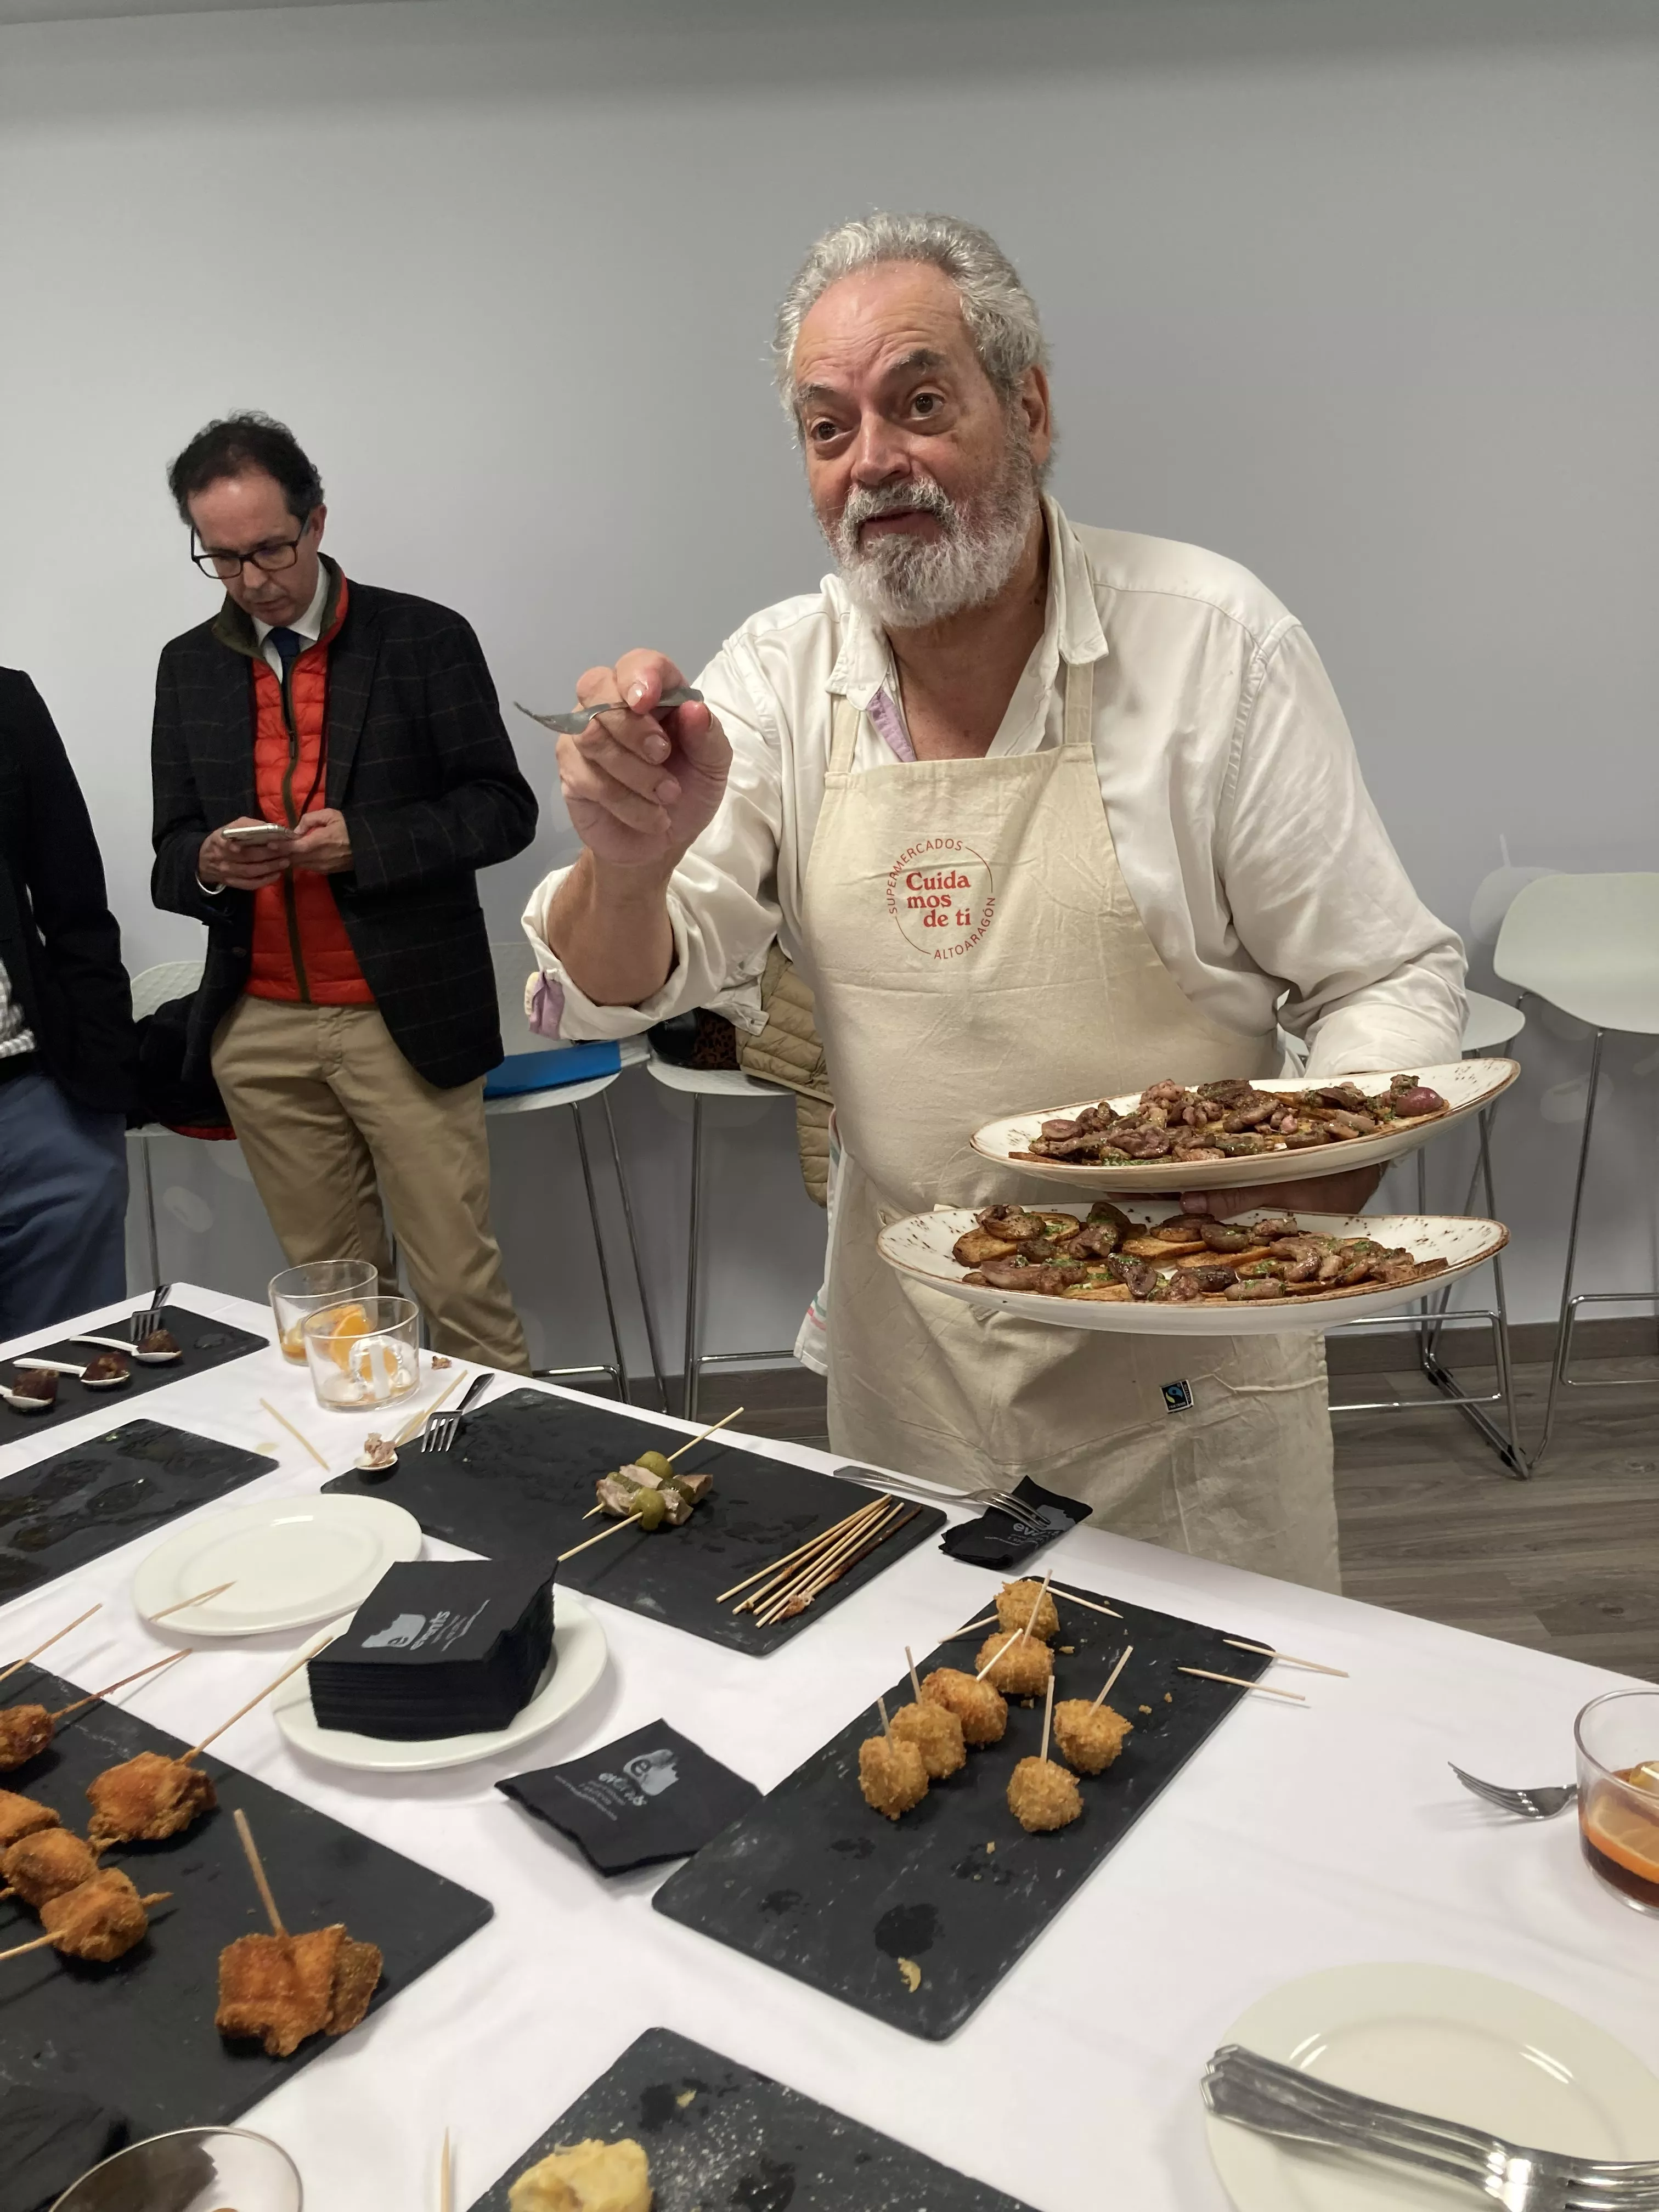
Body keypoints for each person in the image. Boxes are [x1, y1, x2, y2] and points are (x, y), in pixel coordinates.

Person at [522, 215, 1466, 1589]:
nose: (874, 465)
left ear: (1026, 408)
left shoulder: (1212, 643)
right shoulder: (784, 678)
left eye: (919, 402)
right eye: (827, 428)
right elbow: (629, 979)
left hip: (1184, 1371)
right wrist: (630, 862)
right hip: (913, 1373)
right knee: (933, 1744)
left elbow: (1385, 978)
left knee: (1206, 1757)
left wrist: (1272, 1209)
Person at [151, 413, 537, 1369]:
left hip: (400, 1013)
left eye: (271, 548)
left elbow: (501, 810)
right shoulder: (187, 666)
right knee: (336, 1307)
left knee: (458, 1291)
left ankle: (505, 1487)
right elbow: (169, 849)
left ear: (316, 522)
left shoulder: (423, 637)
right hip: (261, 1023)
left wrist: (365, 842)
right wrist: (209, 861)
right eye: (223, 559)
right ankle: (377, 1483)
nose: (252, 579)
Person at [0, 672, 136, 1335]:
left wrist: (99, 1089)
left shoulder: (6, 701)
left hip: (35, 1110)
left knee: (75, 1394)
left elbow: (76, 902)